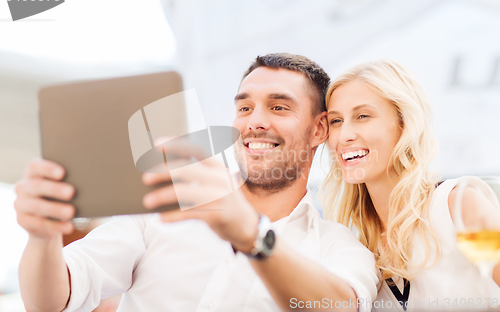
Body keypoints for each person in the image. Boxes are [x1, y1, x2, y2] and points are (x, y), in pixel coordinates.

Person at [15, 53, 378, 312]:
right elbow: (50, 301)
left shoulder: (338, 247)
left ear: (318, 129)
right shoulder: (157, 211)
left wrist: (252, 236)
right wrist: (42, 238)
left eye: (279, 107)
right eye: (245, 108)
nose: (255, 122)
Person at [321, 59, 500, 311]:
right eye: (336, 121)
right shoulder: (357, 246)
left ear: (404, 123)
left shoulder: (458, 205)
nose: (344, 135)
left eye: (362, 116)